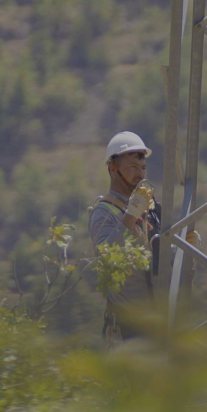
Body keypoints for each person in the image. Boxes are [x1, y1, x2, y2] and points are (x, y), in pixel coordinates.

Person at [89, 131, 158, 340]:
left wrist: (187, 255)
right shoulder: (104, 212)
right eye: (133, 167)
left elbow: (162, 260)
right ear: (113, 169)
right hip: (129, 327)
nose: (140, 174)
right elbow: (106, 256)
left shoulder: (151, 209)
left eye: (143, 168)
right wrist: (130, 215)